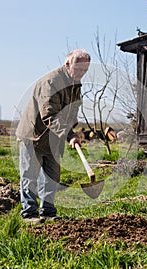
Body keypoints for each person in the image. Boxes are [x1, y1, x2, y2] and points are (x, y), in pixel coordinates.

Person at [16, 49, 91, 224]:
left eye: (85, 71)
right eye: (78, 69)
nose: (81, 74)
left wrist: (72, 131)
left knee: (51, 176)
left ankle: (48, 212)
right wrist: (68, 134)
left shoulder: (75, 85)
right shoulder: (51, 82)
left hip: (54, 137)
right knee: (30, 175)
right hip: (34, 135)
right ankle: (29, 214)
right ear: (67, 64)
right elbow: (49, 114)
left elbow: (72, 112)